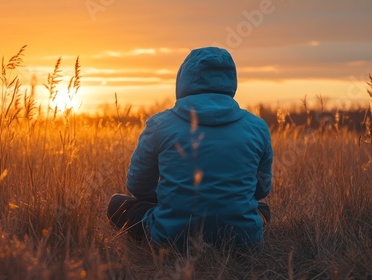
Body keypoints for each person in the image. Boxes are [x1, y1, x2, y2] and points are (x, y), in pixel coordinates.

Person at [107, 47, 273, 251]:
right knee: (262, 209)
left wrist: (172, 196)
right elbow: (261, 190)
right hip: (243, 240)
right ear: (232, 80)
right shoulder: (257, 127)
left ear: (183, 78)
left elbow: (138, 186)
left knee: (116, 204)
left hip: (171, 239)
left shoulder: (160, 124)